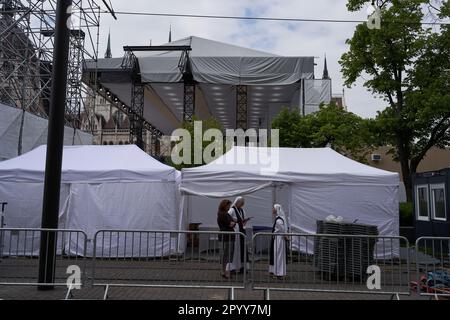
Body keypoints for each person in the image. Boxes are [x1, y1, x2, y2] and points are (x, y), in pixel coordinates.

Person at [228, 196, 250, 274]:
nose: (242, 205)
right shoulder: (232, 210)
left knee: (243, 249)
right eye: (241, 203)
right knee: (235, 250)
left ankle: (242, 266)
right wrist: (234, 221)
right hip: (236, 232)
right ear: (237, 202)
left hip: (242, 232)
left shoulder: (242, 210)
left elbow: (242, 219)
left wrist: (245, 221)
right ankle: (232, 267)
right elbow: (228, 218)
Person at [217, 199, 235, 279]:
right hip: (226, 236)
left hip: (228, 236)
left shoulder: (224, 214)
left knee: (227, 254)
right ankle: (224, 271)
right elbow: (231, 223)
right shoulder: (223, 214)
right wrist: (233, 222)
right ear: (224, 205)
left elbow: (232, 221)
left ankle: (224, 271)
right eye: (228, 205)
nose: (229, 207)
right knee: (226, 254)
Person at [269, 204, 288, 278]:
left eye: (273, 208)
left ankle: (278, 272)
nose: (272, 210)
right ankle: (278, 271)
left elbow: (282, 229)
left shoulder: (279, 220)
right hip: (278, 238)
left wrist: (284, 234)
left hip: (279, 239)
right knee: (278, 255)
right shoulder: (278, 218)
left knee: (278, 255)